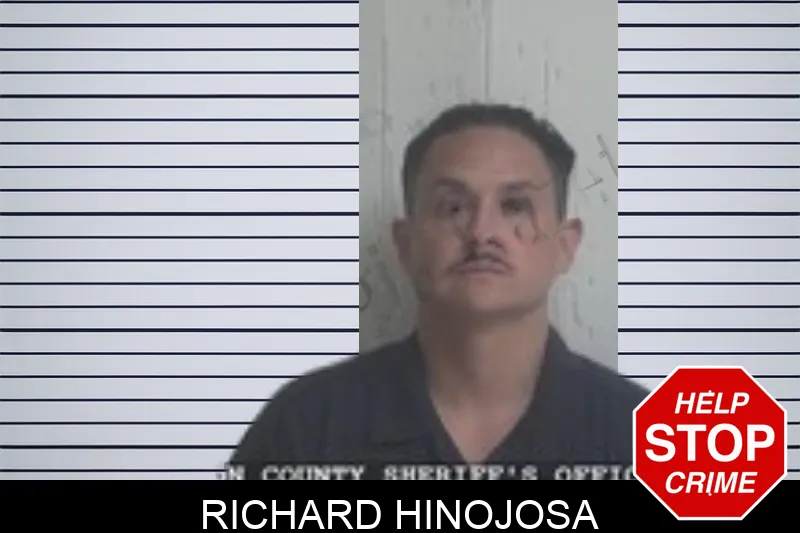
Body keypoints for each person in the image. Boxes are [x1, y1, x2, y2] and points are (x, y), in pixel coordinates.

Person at [230, 103, 649, 477]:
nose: (482, 232)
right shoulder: (303, 426)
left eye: (514, 206)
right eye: (453, 207)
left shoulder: (649, 435)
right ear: (405, 244)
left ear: (565, 246)